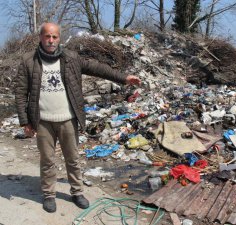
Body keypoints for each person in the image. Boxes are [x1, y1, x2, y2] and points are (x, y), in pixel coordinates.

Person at [14, 22, 141, 213]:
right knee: (47, 160)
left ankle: (77, 192)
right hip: (43, 122)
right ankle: (49, 195)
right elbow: (21, 93)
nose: (51, 40)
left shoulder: (71, 58)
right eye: (47, 36)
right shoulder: (28, 61)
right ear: (40, 37)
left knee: (72, 159)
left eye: (54, 37)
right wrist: (25, 122)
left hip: (68, 119)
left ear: (60, 38)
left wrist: (123, 78)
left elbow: (97, 68)